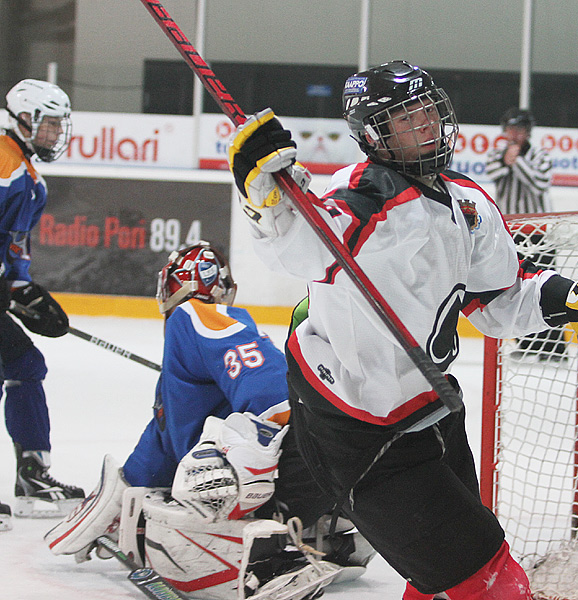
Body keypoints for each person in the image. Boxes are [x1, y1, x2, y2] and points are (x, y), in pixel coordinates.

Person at [225, 60, 578, 600]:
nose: (426, 125)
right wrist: (266, 196)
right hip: (361, 431)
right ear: (373, 135)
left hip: (431, 409)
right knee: (490, 581)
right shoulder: (365, 194)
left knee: (449, 578)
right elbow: (306, 241)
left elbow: (500, 295)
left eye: (429, 110)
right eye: (407, 119)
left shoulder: (466, 200)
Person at [44, 242, 373, 600]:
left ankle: (263, 559)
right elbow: (157, 453)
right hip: (328, 466)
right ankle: (320, 530)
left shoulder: (193, 318)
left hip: (300, 455)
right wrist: (114, 499)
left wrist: (250, 454)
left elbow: (272, 391)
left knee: (196, 485)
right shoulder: (176, 385)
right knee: (175, 490)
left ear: (172, 286)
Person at [0, 78, 83, 528]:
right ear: (25, 119)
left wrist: (20, 288)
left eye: (58, 126)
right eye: (49, 125)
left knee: (25, 366)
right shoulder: (2, 164)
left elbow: (11, 246)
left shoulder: (28, 177)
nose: (55, 134)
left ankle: (32, 475)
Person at [484, 108, 566, 360]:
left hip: (540, 232)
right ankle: (527, 344)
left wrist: (516, 161)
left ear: (528, 132)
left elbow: (539, 183)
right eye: (510, 129)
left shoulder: (540, 155)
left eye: (518, 130)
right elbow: (494, 174)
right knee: (517, 287)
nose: (514, 134)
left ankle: (554, 349)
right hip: (512, 232)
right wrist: (508, 161)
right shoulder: (496, 154)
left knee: (547, 286)